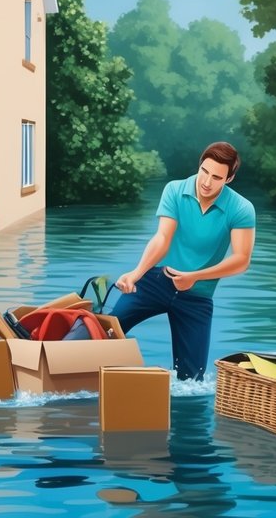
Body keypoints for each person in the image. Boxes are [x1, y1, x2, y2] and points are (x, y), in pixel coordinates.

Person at [110, 142, 256, 381]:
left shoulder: (241, 208)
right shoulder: (175, 190)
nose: (207, 182)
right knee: (105, 332)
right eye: (204, 171)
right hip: (156, 281)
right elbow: (163, 238)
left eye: (217, 177)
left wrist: (195, 277)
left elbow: (241, 260)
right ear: (199, 166)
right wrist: (136, 273)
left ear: (229, 179)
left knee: (191, 380)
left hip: (197, 296)